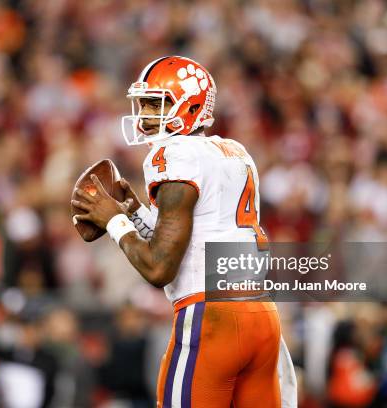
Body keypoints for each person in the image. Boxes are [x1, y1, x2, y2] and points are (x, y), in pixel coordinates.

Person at [72, 56, 296, 407]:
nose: (144, 114)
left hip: (211, 315)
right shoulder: (233, 150)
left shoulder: (174, 154)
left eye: (154, 103)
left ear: (188, 105)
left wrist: (113, 222)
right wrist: (134, 213)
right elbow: (199, 228)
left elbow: (159, 268)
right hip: (260, 314)